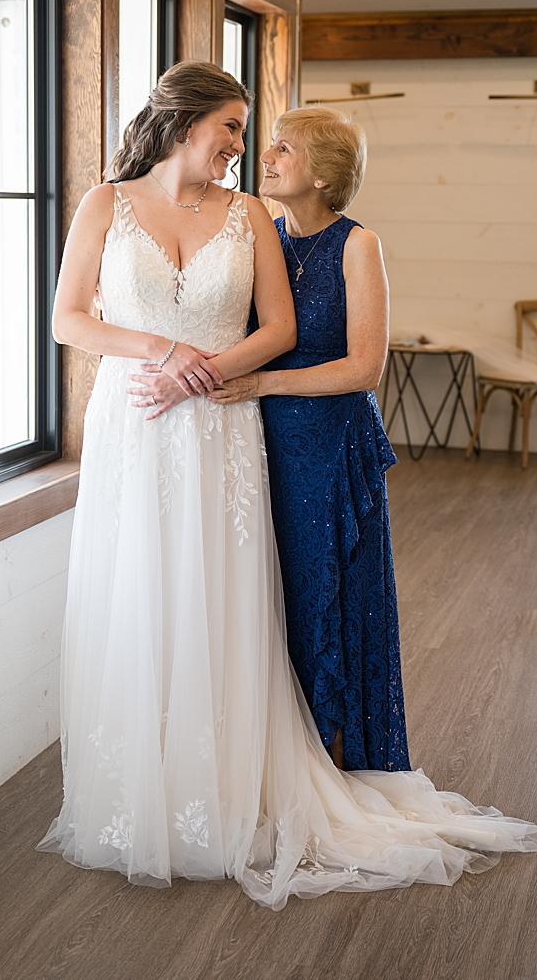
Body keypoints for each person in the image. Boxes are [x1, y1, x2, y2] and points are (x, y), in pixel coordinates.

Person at [42, 61, 537, 909]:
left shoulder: (249, 218)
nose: (242, 147)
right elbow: (68, 319)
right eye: (233, 128)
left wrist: (199, 375)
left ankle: (230, 790)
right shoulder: (105, 203)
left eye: (252, 134)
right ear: (182, 120)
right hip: (133, 424)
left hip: (220, 424)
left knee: (221, 598)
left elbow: (278, 329)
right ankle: (143, 797)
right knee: (139, 594)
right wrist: (162, 358)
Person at [194, 107, 405, 774]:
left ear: (321, 174)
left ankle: (340, 767)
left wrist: (260, 386)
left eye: (283, 149)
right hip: (259, 448)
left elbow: (364, 369)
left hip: (333, 449)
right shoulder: (256, 238)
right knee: (271, 598)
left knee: (332, 598)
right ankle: (283, 765)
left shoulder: (356, 245)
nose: (266, 156)